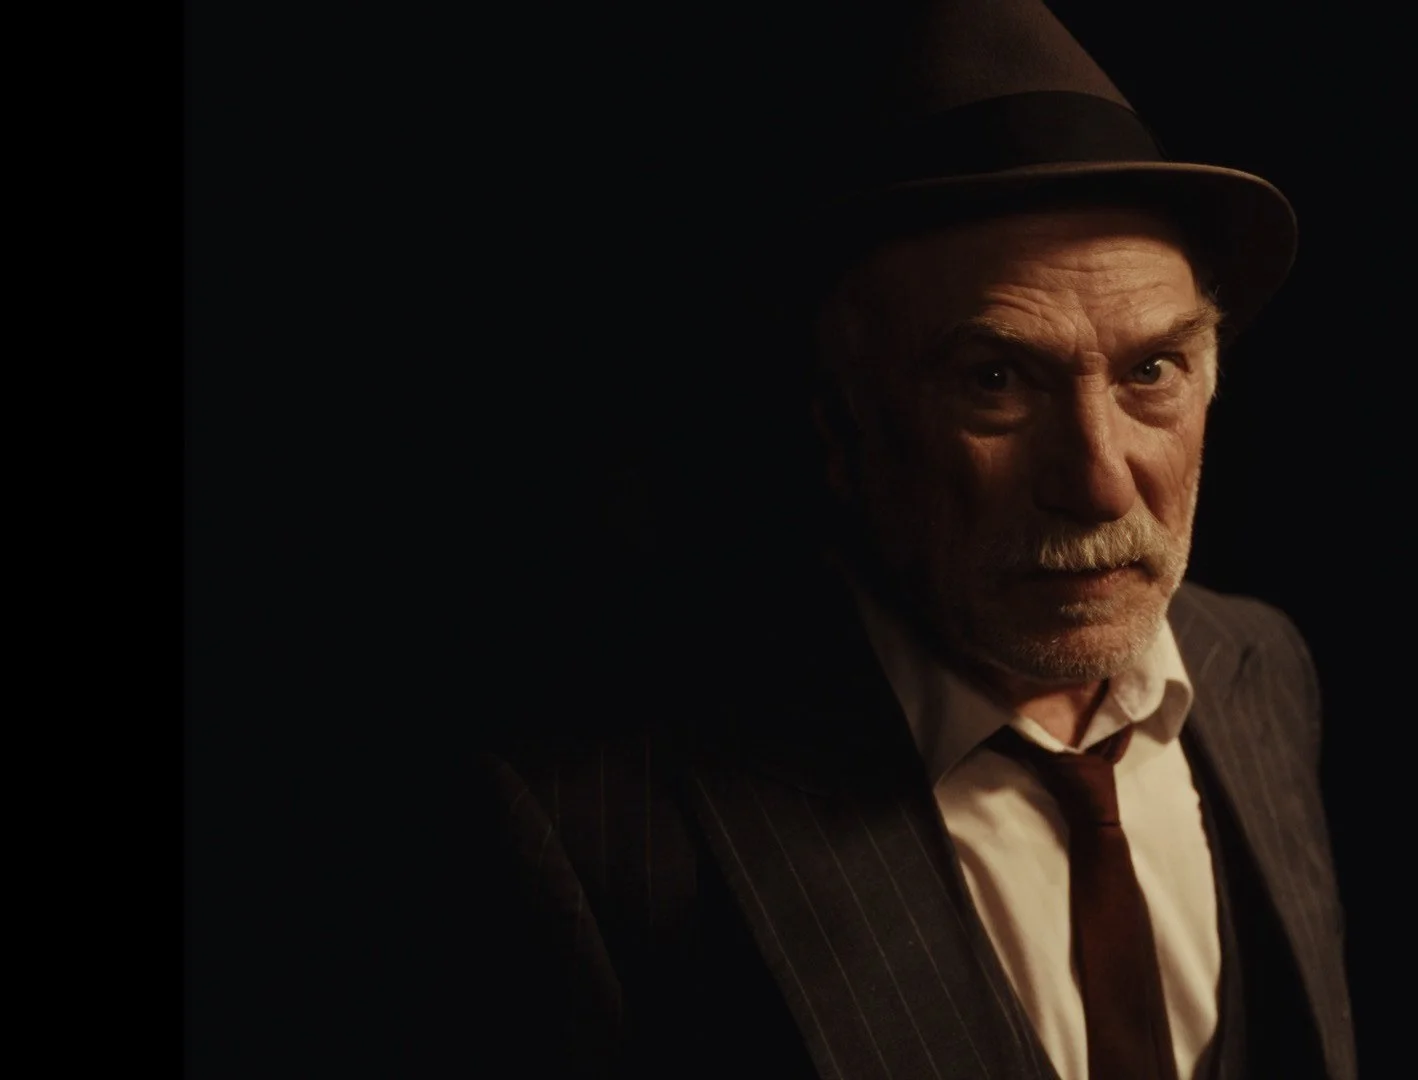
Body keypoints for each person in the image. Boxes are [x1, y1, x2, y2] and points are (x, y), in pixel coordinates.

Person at [404, 2, 1355, 1077]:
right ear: (843, 423)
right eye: (997, 381)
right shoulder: (598, 827)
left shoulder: (1263, 668)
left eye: (1151, 372)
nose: (1096, 481)